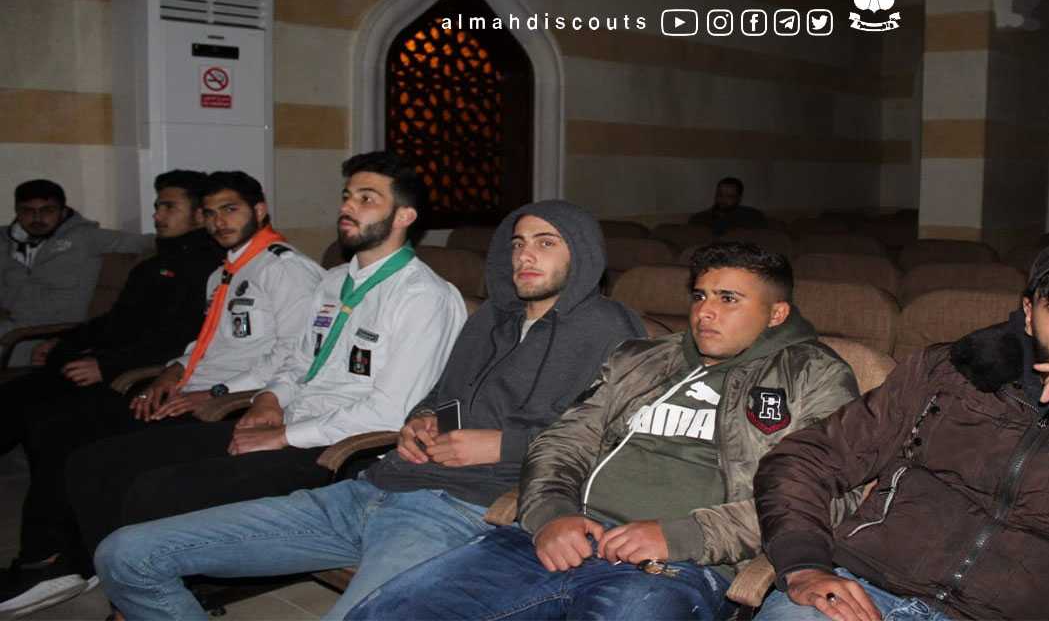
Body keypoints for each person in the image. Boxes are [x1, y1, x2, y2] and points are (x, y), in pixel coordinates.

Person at [95, 199, 645, 619]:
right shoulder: (491, 320)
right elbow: (442, 396)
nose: (524, 255)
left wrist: (505, 444)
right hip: (374, 488)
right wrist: (419, 423)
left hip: (460, 511)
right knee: (127, 554)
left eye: (546, 243)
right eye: (518, 243)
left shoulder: (609, 327)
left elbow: (621, 437)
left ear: (582, 252)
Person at [346, 241, 859, 621]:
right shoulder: (640, 358)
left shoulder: (813, 376)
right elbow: (561, 442)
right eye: (701, 295)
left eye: (729, 299)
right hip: (559, 538)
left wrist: (679, 535)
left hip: (674, 567)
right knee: (385, 612)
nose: (705, 311)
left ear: (776, 313)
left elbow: (825, 495)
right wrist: (551, 515)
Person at [753, 234, 1049, 621]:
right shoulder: (948, 375)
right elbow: (804, 459)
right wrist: (805, 565)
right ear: (1028, 315)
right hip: (861, 595)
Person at [0, 171, 324, 616]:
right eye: (210, 213)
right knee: (60, 427)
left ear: (260, 210)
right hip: (190, 388)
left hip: (230, 402)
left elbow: (296, 355)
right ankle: (72, 556)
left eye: (230, 209)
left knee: (85, 446)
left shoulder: (286, 269)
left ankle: (61, 561)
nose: (219, 221)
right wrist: (171, 371)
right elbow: (207, 344)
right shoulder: (225, 272)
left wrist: (215, 392)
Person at [0, 171, 221, 457]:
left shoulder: (210, 269)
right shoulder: (151, 267)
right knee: (15, 397)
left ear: (201, 216)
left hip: (140, 374)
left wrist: (106, 367)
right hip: (108, 363)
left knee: (47, 421)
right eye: (157, 207)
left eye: (169, 207)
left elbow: (183, 339)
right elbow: (116, 321)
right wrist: (64, 341)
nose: (157, 215)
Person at [1, 179, 153, 364]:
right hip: (9, 326)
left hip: (47, 335)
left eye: (47, 210)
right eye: (28, 211)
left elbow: (148, 242)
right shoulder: (5, 241)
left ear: (63, 211)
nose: (37, 218)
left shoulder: (85, 238)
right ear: (17, 212)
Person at [689, 177, 768, 236]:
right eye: (720, 195)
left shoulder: (753, 216)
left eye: (729, 196)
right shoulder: (700, 218)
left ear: (739, 198)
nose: (723, 200)